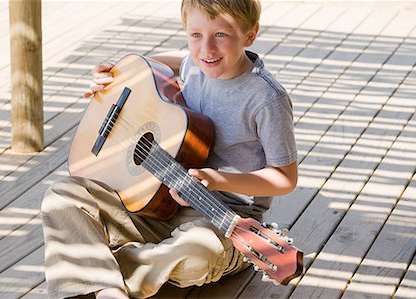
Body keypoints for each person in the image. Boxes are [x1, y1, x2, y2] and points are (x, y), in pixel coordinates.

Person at [41, 0, 298, 298]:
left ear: (249, 35)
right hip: (156, 202)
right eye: (196, 35)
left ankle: (93, 271)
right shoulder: (194, 64)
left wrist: (218, 180)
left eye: (221, 35)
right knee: (62, 196)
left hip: (220, 220)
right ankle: (109, 285)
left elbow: (285, 178)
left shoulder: (267, 100)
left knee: (196, 255)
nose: (207, 50)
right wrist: (118, 75)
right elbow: (162, 62)